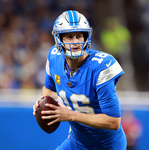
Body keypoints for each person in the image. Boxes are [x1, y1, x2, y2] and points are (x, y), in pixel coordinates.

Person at [33, 10, 127, 150]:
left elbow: (113, 122)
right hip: (78, 142)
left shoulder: (101, 66)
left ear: (86, 37)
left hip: (107, 145)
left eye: (79, 36)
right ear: (59, 39)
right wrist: (45, 103)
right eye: (69, 37)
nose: (75, 42)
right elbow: (50, 90)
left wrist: (71, 115)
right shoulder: (54, 56)